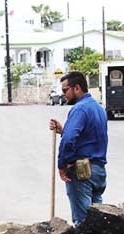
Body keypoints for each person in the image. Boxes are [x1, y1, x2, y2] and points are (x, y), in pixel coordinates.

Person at [48, 71, 108, 225]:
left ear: (77, 88)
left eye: (65, 90)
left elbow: (69, 141)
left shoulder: (79, 109)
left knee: (83, 223)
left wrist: (62, 165)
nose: (63, 95)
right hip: (98, 171)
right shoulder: (98, 108)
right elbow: (88, 136)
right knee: (99, 221)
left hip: (82, 172)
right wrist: (63, 130)